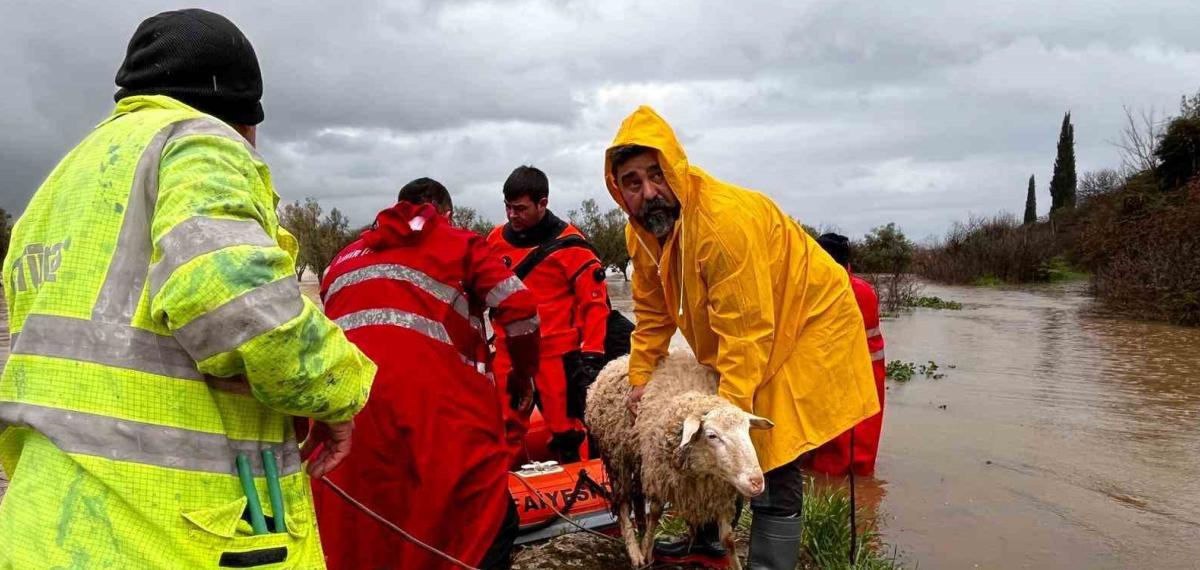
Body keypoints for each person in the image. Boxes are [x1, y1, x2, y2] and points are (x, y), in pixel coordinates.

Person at [0, 9, 376, 568]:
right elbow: (234, 303)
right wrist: (338, 392)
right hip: (172, 536)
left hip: (45, 523)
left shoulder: (61, 184)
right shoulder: (197, 140)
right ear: (244, 116)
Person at [606, 106, 879, 569]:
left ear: (675, 168)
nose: (649, 192)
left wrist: (728, 413)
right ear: (619, 191)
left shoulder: (722, 225)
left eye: (656, 175)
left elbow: (748, 333)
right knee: (711, 438)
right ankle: (706, 538)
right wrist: (638, 377)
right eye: (633, 182)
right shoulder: (644, 235)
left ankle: (771, 563)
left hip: (806, 326)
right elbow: (652, 313)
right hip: (750, 328)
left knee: (769, 446)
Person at [314, 178, 540, 570]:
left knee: (369, 534)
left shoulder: (341, 261)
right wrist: (522, 374)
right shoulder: (459, 243)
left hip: (347, 425)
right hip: (437, 420)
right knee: (486, 525)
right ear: (445, 215)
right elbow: (520, 308)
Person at [487, 166, 611, 464]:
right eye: (507, 207)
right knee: (505, 428)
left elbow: (594, 305)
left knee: (566, 432)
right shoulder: (493, 242)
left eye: (520, 208)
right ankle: (505, 493)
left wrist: (592, 357)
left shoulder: (572, 246)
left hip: (557, 355)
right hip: (509, 354)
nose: (512, 215)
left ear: (543, 203)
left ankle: (581, 487)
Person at [809, 234, 887, 477]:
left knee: (827, 442)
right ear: (849, 265)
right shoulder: (865, 290)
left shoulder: (817, 289)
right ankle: (861, 492)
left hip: (836, 373)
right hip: (870, 375)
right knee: (861, 442)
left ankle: (824, 488)